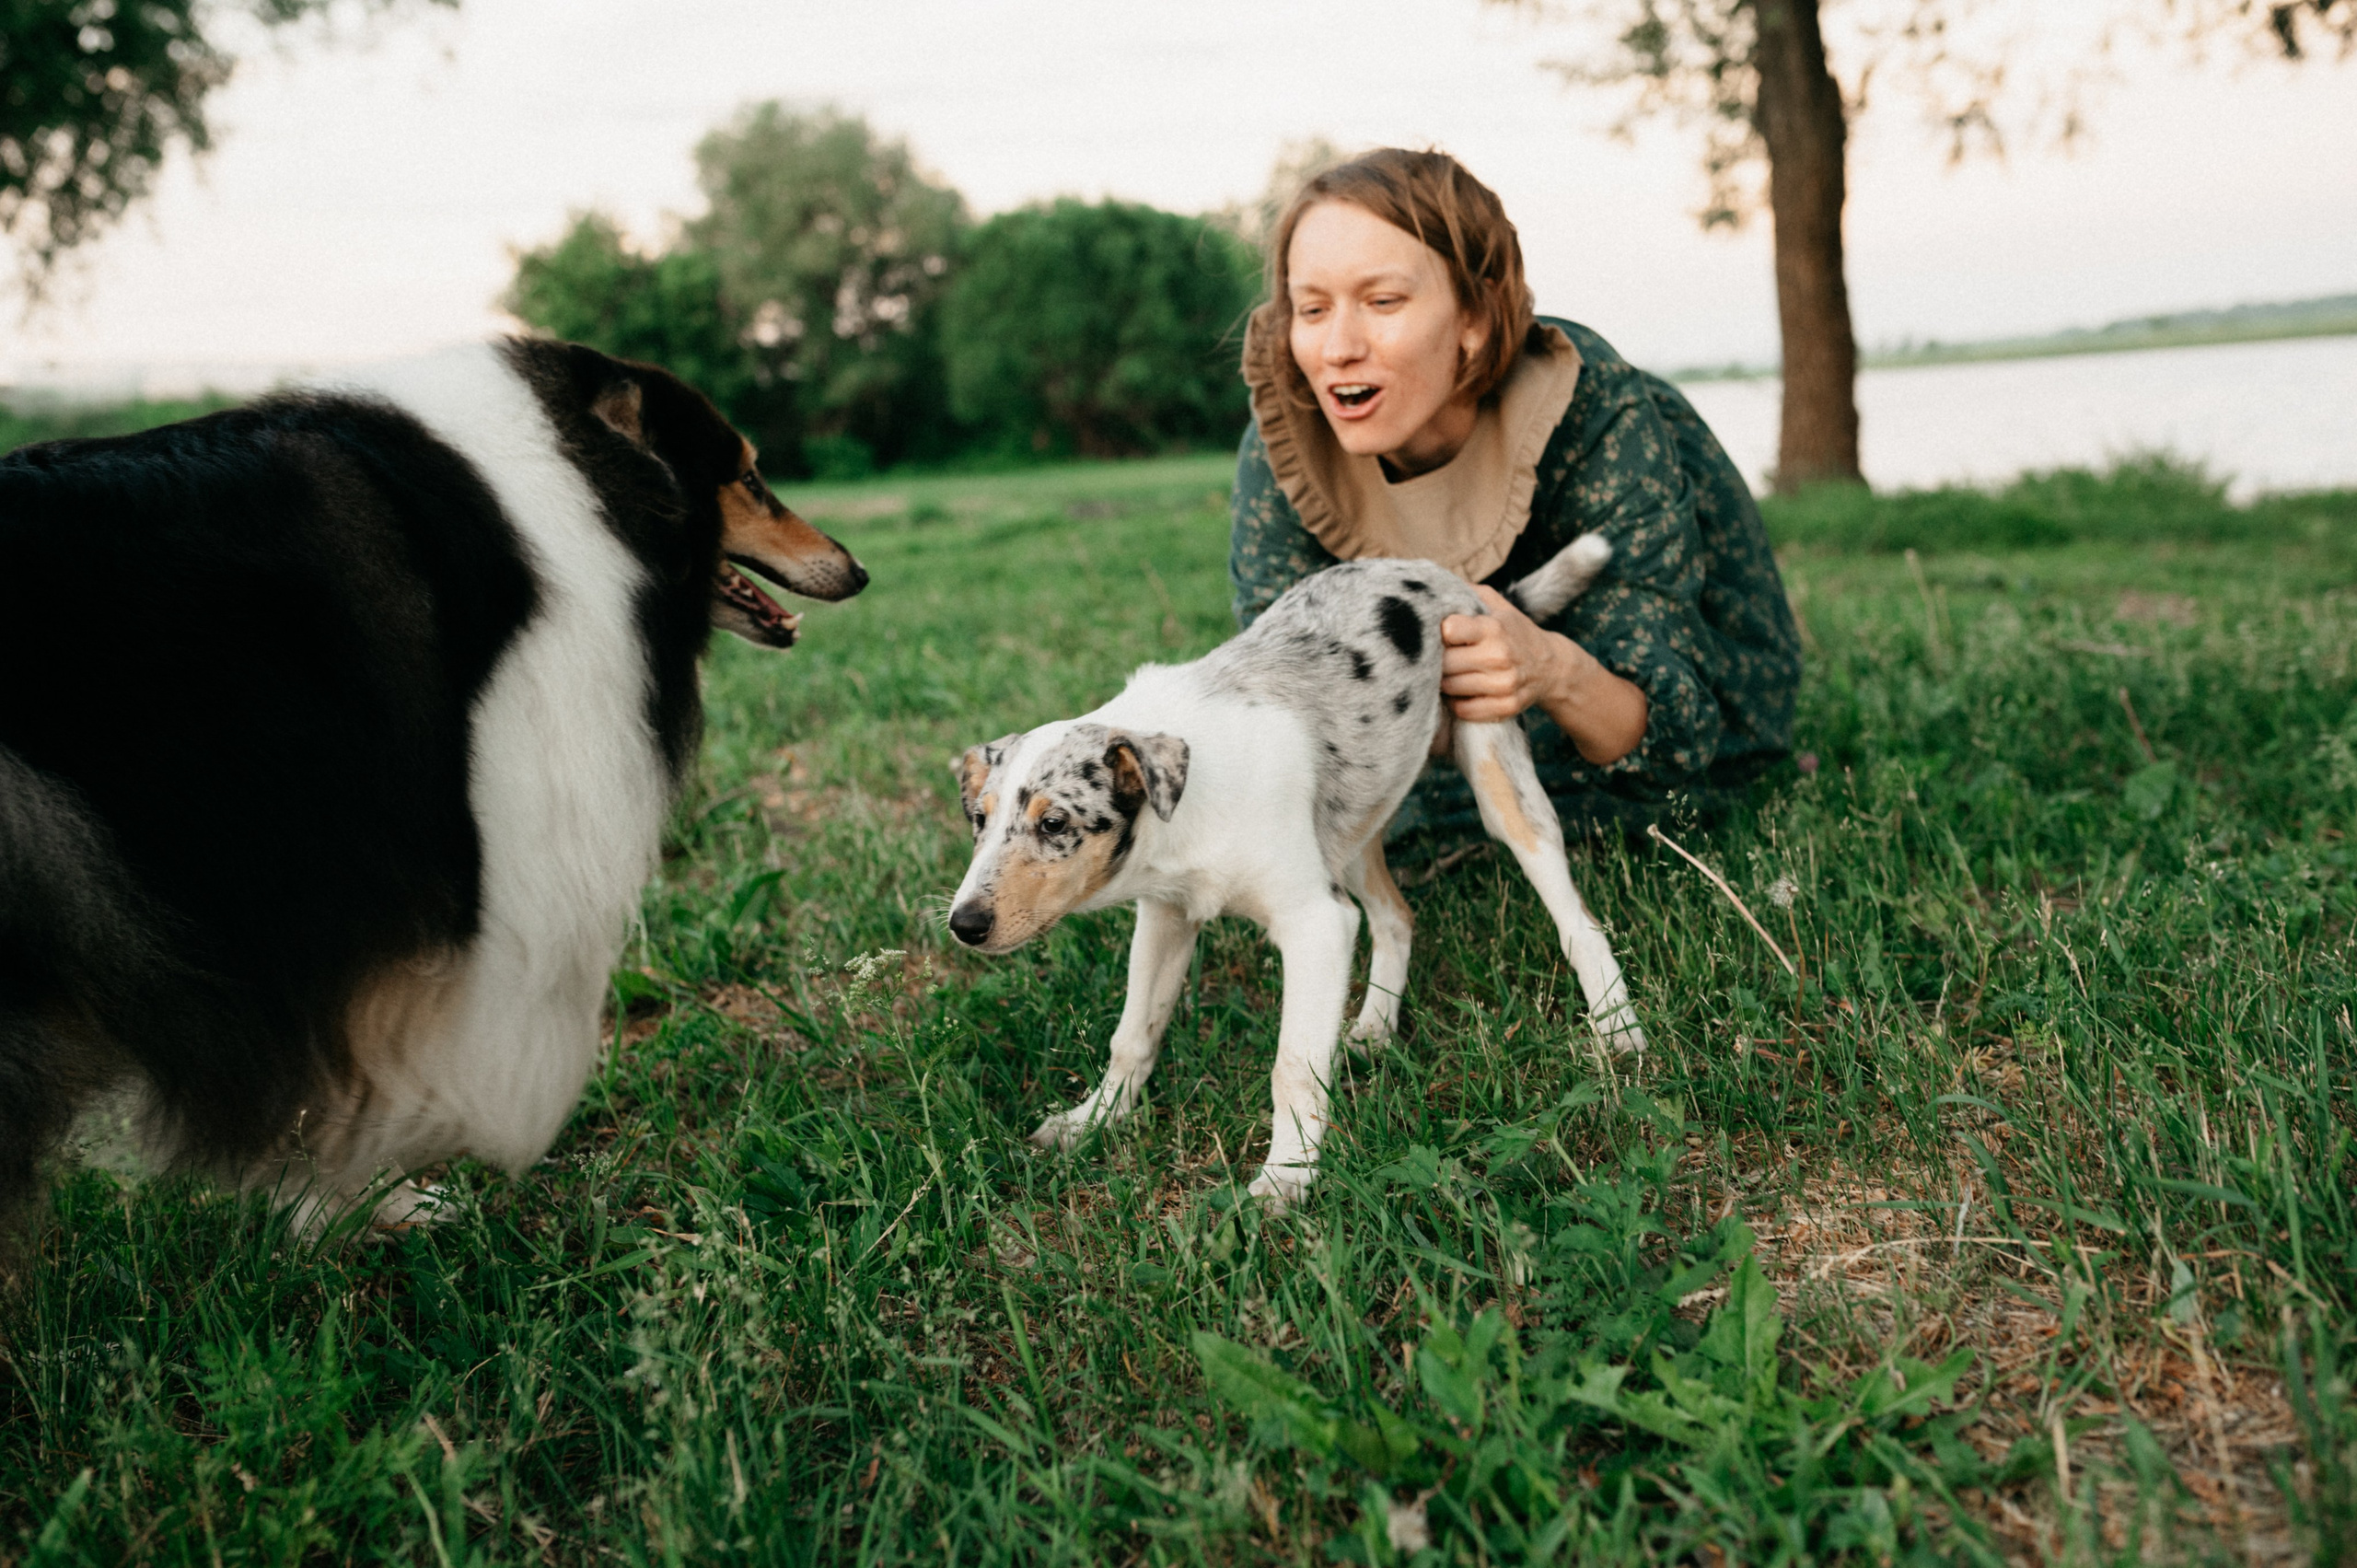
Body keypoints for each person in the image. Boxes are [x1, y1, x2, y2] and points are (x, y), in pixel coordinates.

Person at [1230, 148, 1803, 846]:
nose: (1338, 347)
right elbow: (1284, 711)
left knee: (1648, 806)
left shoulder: (1595, 411)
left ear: (1473, 314)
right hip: (1429, 746)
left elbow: (1671, 742)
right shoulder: (1286, 443)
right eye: (1311, 308)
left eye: (1383, 301)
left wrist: (1548, 666)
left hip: (1655, 722)